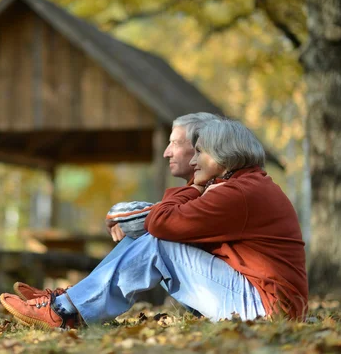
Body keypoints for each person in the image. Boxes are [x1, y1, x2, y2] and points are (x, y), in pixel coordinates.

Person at [0, 118, 308, 329]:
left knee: (160, 241)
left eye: (200, 152)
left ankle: (65, 310)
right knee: (155, 237)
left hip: (268, 309)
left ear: (222, 155)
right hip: (269, 302)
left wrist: (192, 188)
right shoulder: (246, 186)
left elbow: (160, 224)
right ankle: (68, 303)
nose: (193, 161)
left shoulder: (237, 193)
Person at [12, 112, 220, 301]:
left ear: (199, 147)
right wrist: (129, 219)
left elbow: (159, 218)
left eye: (174, 143)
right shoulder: (200, 189)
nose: (166, 153)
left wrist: (117, 215)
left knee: (152, 236)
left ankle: (69, 305)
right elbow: (158, 216)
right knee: (141, 233)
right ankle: (70, 299)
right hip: (208, 288)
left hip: (220, 296)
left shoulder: (214, 190)